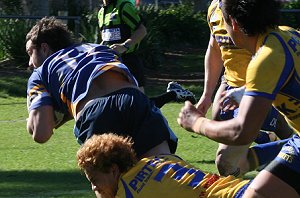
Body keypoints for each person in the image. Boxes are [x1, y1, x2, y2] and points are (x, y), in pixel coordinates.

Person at [178, 0, 300, 196]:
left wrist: (196, 123)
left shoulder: (264, 61)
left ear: (233, 23)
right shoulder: (287, 34)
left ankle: (267, 149)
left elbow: (241, 132)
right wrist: (246, 91)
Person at [25, 16, 178, 159]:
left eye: (30, 53)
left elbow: (41, 133)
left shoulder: (40, 73)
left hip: (95, 114)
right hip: (134, 99)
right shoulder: (95, 48)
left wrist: (31, 122)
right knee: (164, 171)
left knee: (111, 185)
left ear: (44, 48)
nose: (30, 63)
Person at [77, 133, 253, 198]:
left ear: (113, 170)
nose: (94, 187)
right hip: (245, 188)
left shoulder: (127, 193)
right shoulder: (158, 160)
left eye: (94, 180)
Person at [98, 0, 196, 106]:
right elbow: (105, 38)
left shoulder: (124, 6)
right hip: (111, 63)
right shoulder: (100, 13)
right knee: (118, 106)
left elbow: (142, 30)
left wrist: (124, 46)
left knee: (141, 106)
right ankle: (174, 93)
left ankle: (173, 94)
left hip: (129, 61)